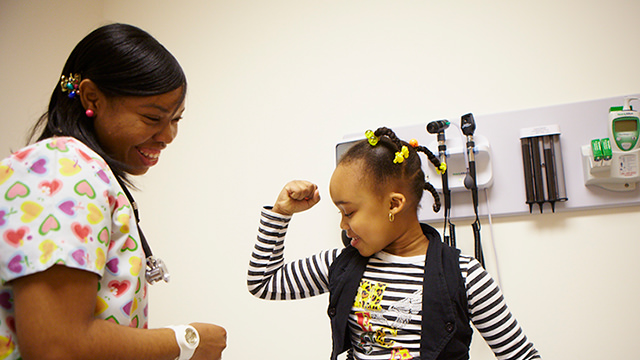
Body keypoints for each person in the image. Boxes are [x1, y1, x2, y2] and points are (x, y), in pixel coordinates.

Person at [0, 23, 226, 360]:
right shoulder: (62, 166)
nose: (167, 136)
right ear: (92, 97)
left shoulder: (84, 170)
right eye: (153, 117)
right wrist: (187, 341)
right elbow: (56, 345)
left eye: (176, 119)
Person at [247, 127, 541, 360]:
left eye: (348, 212)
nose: (342, 224)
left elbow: (521, 355)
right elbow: (263, 282)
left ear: (394, 204)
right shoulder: (341, 263)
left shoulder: (465, 276)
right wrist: (280, 214)